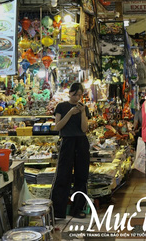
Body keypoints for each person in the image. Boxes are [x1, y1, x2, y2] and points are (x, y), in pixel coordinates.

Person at [51, 83, 90, 219]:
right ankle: (58, 211)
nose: (77, 97)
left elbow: (84, 129)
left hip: (81, 142)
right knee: (63, 175)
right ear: (70, 93)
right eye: (75, 94)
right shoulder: (61, 106)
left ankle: (77, 208)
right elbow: (57, 127)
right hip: (67, 141)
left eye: (80, 95)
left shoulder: (83, 108)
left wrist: (83, 112)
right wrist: (69, 113)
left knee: (81, 176)